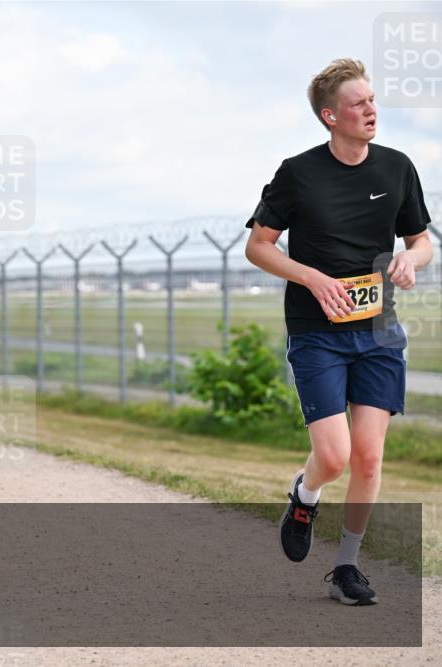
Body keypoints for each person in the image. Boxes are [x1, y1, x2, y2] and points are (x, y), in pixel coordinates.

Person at [245, 59, 433, 606]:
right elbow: (259, 245)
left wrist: (410, 260)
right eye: (358, 103)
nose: (371, 110)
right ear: (331, 117)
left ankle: (347, 568)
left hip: (377, 330)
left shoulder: (397, 168)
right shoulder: (297, 173)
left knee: (369, 459)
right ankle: (305, 496)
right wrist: (311, 276)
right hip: (316, 332)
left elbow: (423, 240)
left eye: (372, 100)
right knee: (333, 457)